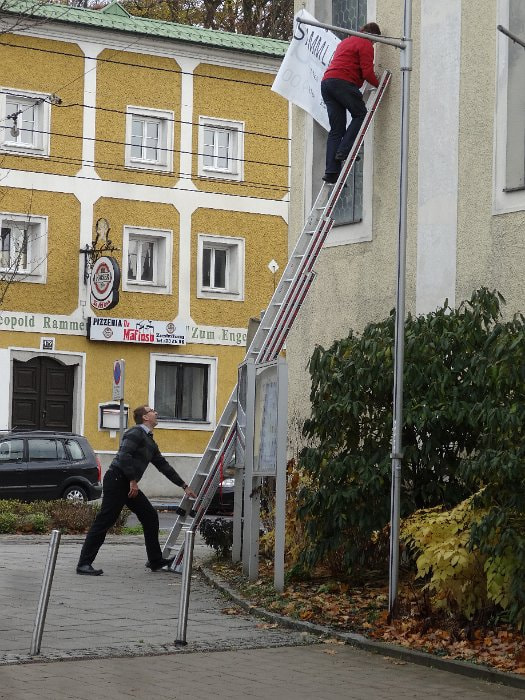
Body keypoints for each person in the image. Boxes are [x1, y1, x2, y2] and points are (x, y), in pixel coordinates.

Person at [77, 405, 196, 576]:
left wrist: (184, 486)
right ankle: (83, 564)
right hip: (118, 480)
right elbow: (124, 455)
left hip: (128, 483)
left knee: (150, 516)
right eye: (152, 411)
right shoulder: (135, 432)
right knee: (105, 520)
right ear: (145, 417)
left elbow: (163, 466)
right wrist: (132, 480)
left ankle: (155, 560)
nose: (156, 413)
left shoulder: (149, 441)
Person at [321, 22, 381, 184]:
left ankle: (331, 172)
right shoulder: (365, 43)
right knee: (360, 114)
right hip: (342, 82)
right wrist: (378, 84)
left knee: (336, 130)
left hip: (327, 83)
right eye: (374, 42)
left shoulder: (346, 42)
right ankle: (344, 151)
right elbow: (367, 72)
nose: (373, 45)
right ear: (372, 36)